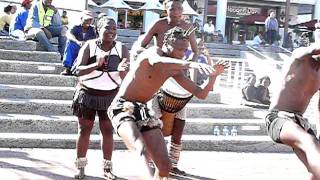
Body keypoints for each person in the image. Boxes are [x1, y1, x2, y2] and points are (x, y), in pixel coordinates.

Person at [107, 27, 227, 179]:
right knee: (141, 150)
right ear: (167, 44)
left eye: (185, 50)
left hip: (143, 112)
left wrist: (213, 77)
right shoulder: (153, 52)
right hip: (122, 107)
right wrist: (190, 64)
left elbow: (201, 94)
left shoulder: (175, 70)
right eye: (179, 49)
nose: (183, 54)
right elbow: (158, 61)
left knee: (164, 166)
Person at [72, 16, 129, 179]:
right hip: (87, 94)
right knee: (84, 130)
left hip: (110, 95)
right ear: (98, 29)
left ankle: (107, 169)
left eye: (114, 29)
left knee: (108, 131)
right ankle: (81, 167)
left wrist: (123, 71)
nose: (111, 31)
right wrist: (96, 65)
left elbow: (127, 76)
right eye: (107, 28)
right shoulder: (89, 46)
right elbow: (78, 70)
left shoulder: (121, 48)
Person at [265, 43, 320, 179]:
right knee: (309, 142)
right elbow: (313, 49)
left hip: (299, 121)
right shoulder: (300, 57)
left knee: (314, 166)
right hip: (278, 117)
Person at [61, 10, 96, 76]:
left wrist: (86, 44)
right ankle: (68, 68)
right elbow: (69, 34)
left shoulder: (93, 29)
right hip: (77, 46)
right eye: (86, 19)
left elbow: (95, 40)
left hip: (87, 49)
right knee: (70, 43)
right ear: (81, 19)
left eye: (90, 20)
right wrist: (77, 42)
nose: (88, 22)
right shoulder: (75, 27)